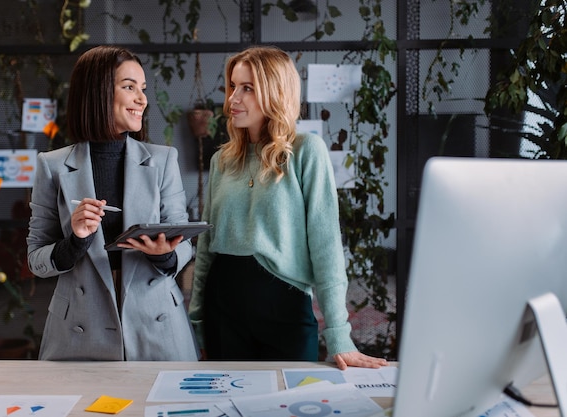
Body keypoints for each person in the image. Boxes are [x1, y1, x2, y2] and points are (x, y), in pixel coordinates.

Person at [188, 46, 388, 370]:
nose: (232, 99)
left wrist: (339, 334)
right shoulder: (221, 160)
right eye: (233, 87)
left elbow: (325, 246)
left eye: (247, 88)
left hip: (286, 310)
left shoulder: (306, 151)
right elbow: (207, 249)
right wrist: (196, 321)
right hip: (222, 311)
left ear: (275, 92)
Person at [27, 45, 199, 361]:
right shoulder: (51, 166)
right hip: (80, 331)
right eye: (129, 87)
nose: (142, 99)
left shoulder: (162, 160)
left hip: (157, 327)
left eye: (143, 89)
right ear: (99, 92)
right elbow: (36, 259)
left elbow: (184, 244)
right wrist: (76, 240)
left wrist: (166, 255)